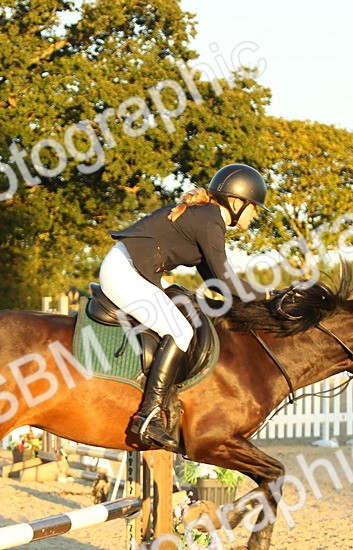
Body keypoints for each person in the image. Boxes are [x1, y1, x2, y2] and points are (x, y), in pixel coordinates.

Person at [101, 163, 269, 451]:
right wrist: (267, 295)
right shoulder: (209, 220)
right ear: (237, 202)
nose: (255, 215)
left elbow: (215, 282)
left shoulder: (207, 218)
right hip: (124, 272)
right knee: (180, 332)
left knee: (188, 307)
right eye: (254, 208)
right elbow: (226, 280)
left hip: (136, 270)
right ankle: (149, 416)